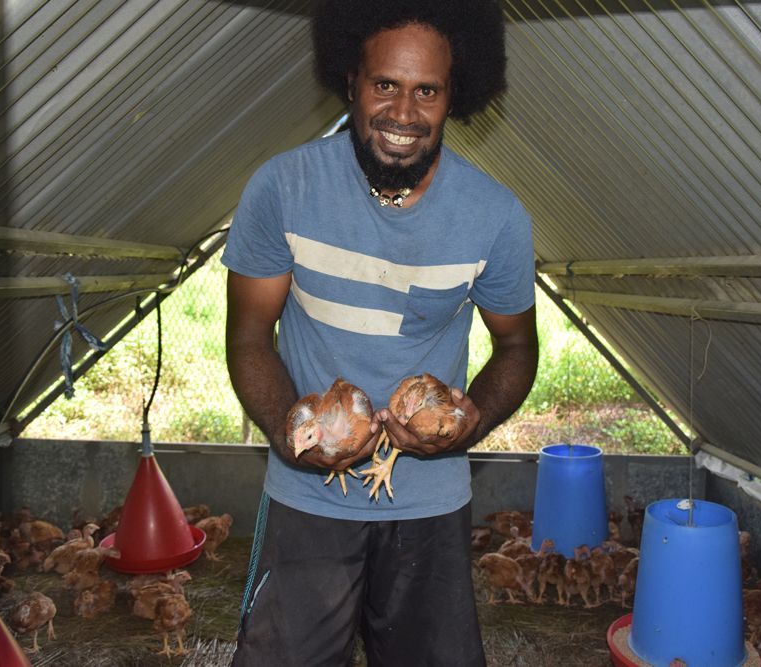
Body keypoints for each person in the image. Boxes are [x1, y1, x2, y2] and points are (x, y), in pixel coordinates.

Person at [221, 1, 538, 664]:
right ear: (349, 81)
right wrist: (289, 427)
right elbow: (250, 337)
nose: (402, 113)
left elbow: (516, 347)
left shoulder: (495, 217)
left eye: (427, 91)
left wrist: (469, 419)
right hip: (309, 499)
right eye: (384, 85)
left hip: (430, 500)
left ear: (455, 96)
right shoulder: (281, 189)